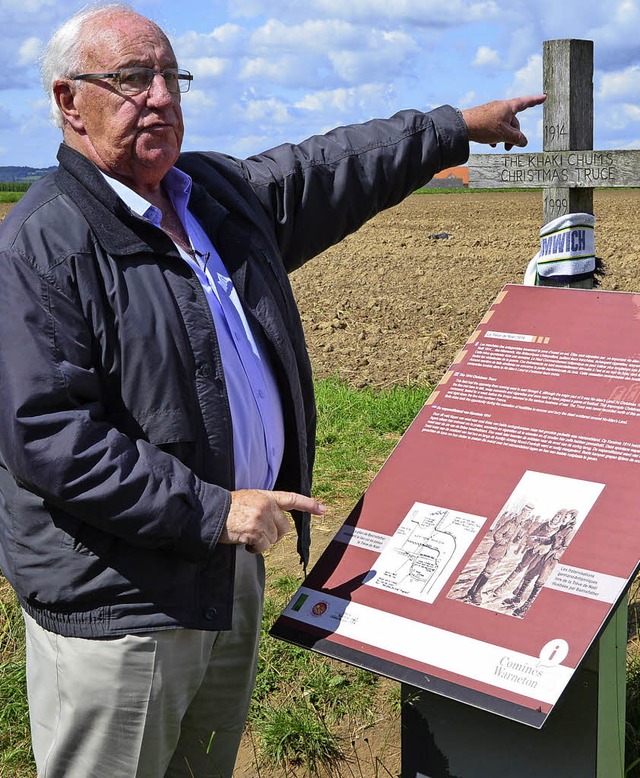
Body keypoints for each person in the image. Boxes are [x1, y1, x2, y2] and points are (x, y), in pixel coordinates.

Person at [0, 3, 545, 776]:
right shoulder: (41, 246)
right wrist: (217, 510)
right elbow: (51, 437)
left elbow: (328, 167)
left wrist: (453, 127)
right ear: (67, 102)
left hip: (225, 577)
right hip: (121, 605)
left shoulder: (213, 199)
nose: (159, 97)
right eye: (130, 80)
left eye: (169, 77)